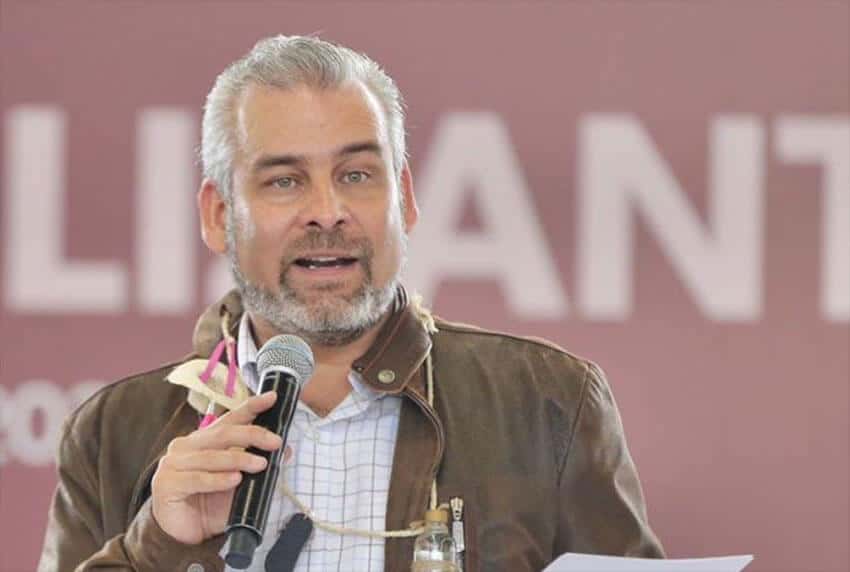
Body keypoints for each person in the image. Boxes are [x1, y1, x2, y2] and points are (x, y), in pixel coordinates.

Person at [37, 35, 663, 572]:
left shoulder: (547, 401)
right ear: (219, 214)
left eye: (357, 175)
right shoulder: (114, 432)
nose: (327, 211)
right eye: (284, 180)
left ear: (406, 200)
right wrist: (158, 544)